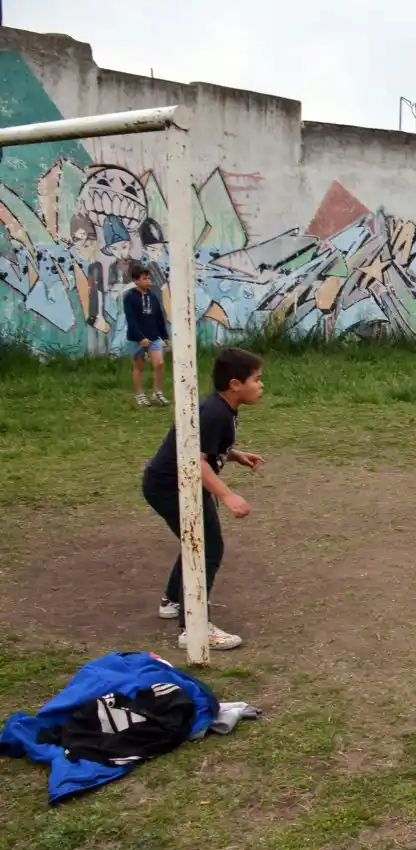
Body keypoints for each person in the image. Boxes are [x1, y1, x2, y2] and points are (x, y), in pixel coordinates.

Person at [143, 348, 265, 651]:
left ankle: (173, 600)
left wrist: (235, 455)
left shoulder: (222, 409)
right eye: (257, 379)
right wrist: (227, 495)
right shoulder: (214, 412)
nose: (261, 385)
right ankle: (193, 628)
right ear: (235, 384)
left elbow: (208, 447)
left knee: (195, 541)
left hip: (178, 484)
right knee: (207, 545)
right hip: (171, 487)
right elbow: (195, 463)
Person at [122, 263, 170, 407]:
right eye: (144, 278)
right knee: (139, 366)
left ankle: (157, 394)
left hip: (154, 337)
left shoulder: (153, 296)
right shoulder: (130, 297)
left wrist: (165, 336)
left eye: (149, 278)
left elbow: (159, 317)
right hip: (137, 339)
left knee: (159, 363)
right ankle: (140, 395)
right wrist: (140, 337)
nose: (148, 281)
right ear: (136, 281)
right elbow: (131, 319)